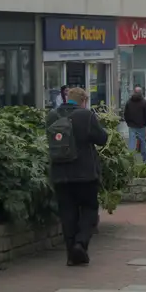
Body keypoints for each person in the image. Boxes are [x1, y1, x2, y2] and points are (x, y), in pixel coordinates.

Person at [47, 86, 106, 266]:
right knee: (89, 208)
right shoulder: (86, 116)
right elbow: (102, 138)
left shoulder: (52, 116)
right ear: (83, 101)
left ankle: (71, 255)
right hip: (85, 174)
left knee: (67, 213)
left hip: (60, 174)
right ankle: (80, 243)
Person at [122, 86, 146, 159]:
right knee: (143, 141)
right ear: (141, 93)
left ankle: (130, 157)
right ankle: (145, 157)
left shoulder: (129, 102)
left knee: (132, 142)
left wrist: (128, 122)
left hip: (132, 125)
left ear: (134, 92)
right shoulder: (144, 102)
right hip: (142, 125)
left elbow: (125, 113)